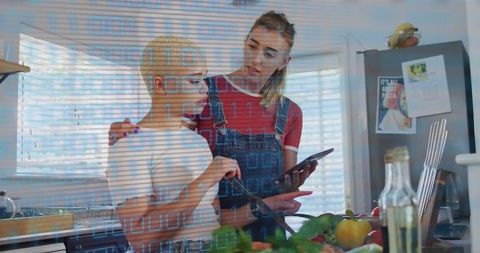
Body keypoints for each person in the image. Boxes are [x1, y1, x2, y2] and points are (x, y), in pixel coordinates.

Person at [108, 11, 316, 242]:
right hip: (214, 234)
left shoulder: (291, 112)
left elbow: (284, 187)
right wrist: (130, 135)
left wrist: (294, 183)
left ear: (284, 62)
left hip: (267, 234)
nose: (256, 59)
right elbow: (166, 145)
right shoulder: (203, 92)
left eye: (269, 54)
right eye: (252, 46)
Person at [106, 36, 244, 253]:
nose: (205, 89)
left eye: (204, 79)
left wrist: (269, 206)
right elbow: (142, 239)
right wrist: (206, 179)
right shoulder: (129, 145)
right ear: (161, 85)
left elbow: (210, 217)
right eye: (194, 80)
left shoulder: (198, 142)